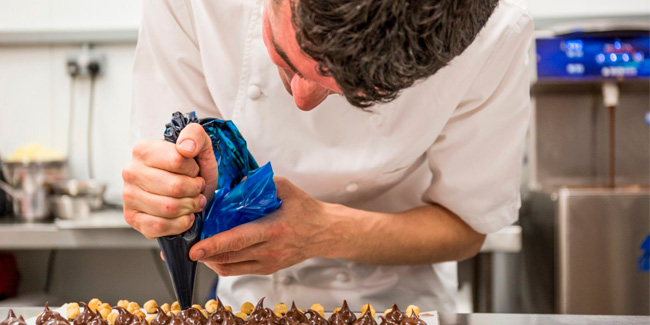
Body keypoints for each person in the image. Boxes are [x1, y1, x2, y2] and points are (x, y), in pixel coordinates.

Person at [123, 0, 533, 312]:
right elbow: (179, 150)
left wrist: (324, 231)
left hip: (401, 303)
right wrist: (171, 190)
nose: (301, 100)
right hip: (251, 303)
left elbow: (466, 226)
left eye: (349, 94)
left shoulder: (494, 36)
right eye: (286, 59)